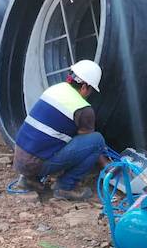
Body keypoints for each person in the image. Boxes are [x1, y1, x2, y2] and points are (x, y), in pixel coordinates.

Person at [12, 59, 108, 201]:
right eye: (91, 90)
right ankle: (65, 187)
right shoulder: (83, 109)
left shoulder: (54, 89)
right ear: (85, 87)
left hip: (19, 158)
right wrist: (107, 166)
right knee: (97, 140)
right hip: (36, 164)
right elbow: (90, 144)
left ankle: (28, 180)